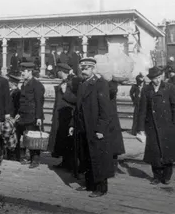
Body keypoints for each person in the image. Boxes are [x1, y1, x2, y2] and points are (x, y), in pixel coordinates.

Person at [69, 57, 114, 197]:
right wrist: (72, 124)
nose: (84, 70)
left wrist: (101, 129)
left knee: (98, 157)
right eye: (82, 68)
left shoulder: (100, 84)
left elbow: (105, 110)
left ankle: (101, 188)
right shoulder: (82, 84)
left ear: (93, 69)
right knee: (86, 157)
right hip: (83, 127)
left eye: (87, 68)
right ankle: (89, 184)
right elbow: (77, 108)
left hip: (95, 128)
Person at [137, 66, 175, 185]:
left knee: (168, 152)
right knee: (154, 152)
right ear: (151, 79)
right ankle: (156, 176)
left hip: (168, 126)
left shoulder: (169, 87)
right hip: (152, 125)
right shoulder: (146, 90)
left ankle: (167, 176)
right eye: (154, 78)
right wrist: (141, 128)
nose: (157, 80)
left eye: (159, 77)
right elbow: (142, 110)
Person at [14, 62, 45, 168]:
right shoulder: (24, 84)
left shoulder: (37, 85)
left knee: (34, 138)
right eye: (22, 71)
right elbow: (21, 101)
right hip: (23, 115)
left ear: (30, 71)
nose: (22, 73)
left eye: (24, 71)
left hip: (32, 116)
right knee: (27, 137)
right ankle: (27, 157)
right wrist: (18, 113)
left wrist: (39, 117)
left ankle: (35, 160)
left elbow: (39, 102)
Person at [48, 63, 77, 171]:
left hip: (68, 115)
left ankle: (70, 164)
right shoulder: (65, 82)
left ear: (61, 72)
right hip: (61, 115)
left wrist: (65, 92)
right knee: (62, 139)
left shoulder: (73, 82)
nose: (57, 73)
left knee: (67, 139)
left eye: (58, 71)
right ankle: (65, 162)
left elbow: (76, 99)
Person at [108, 78, 126, 173]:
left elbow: (112, 91)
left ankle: (113, 167)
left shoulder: (112, 83)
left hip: (110, 118)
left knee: (113, 145)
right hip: (107, 118)